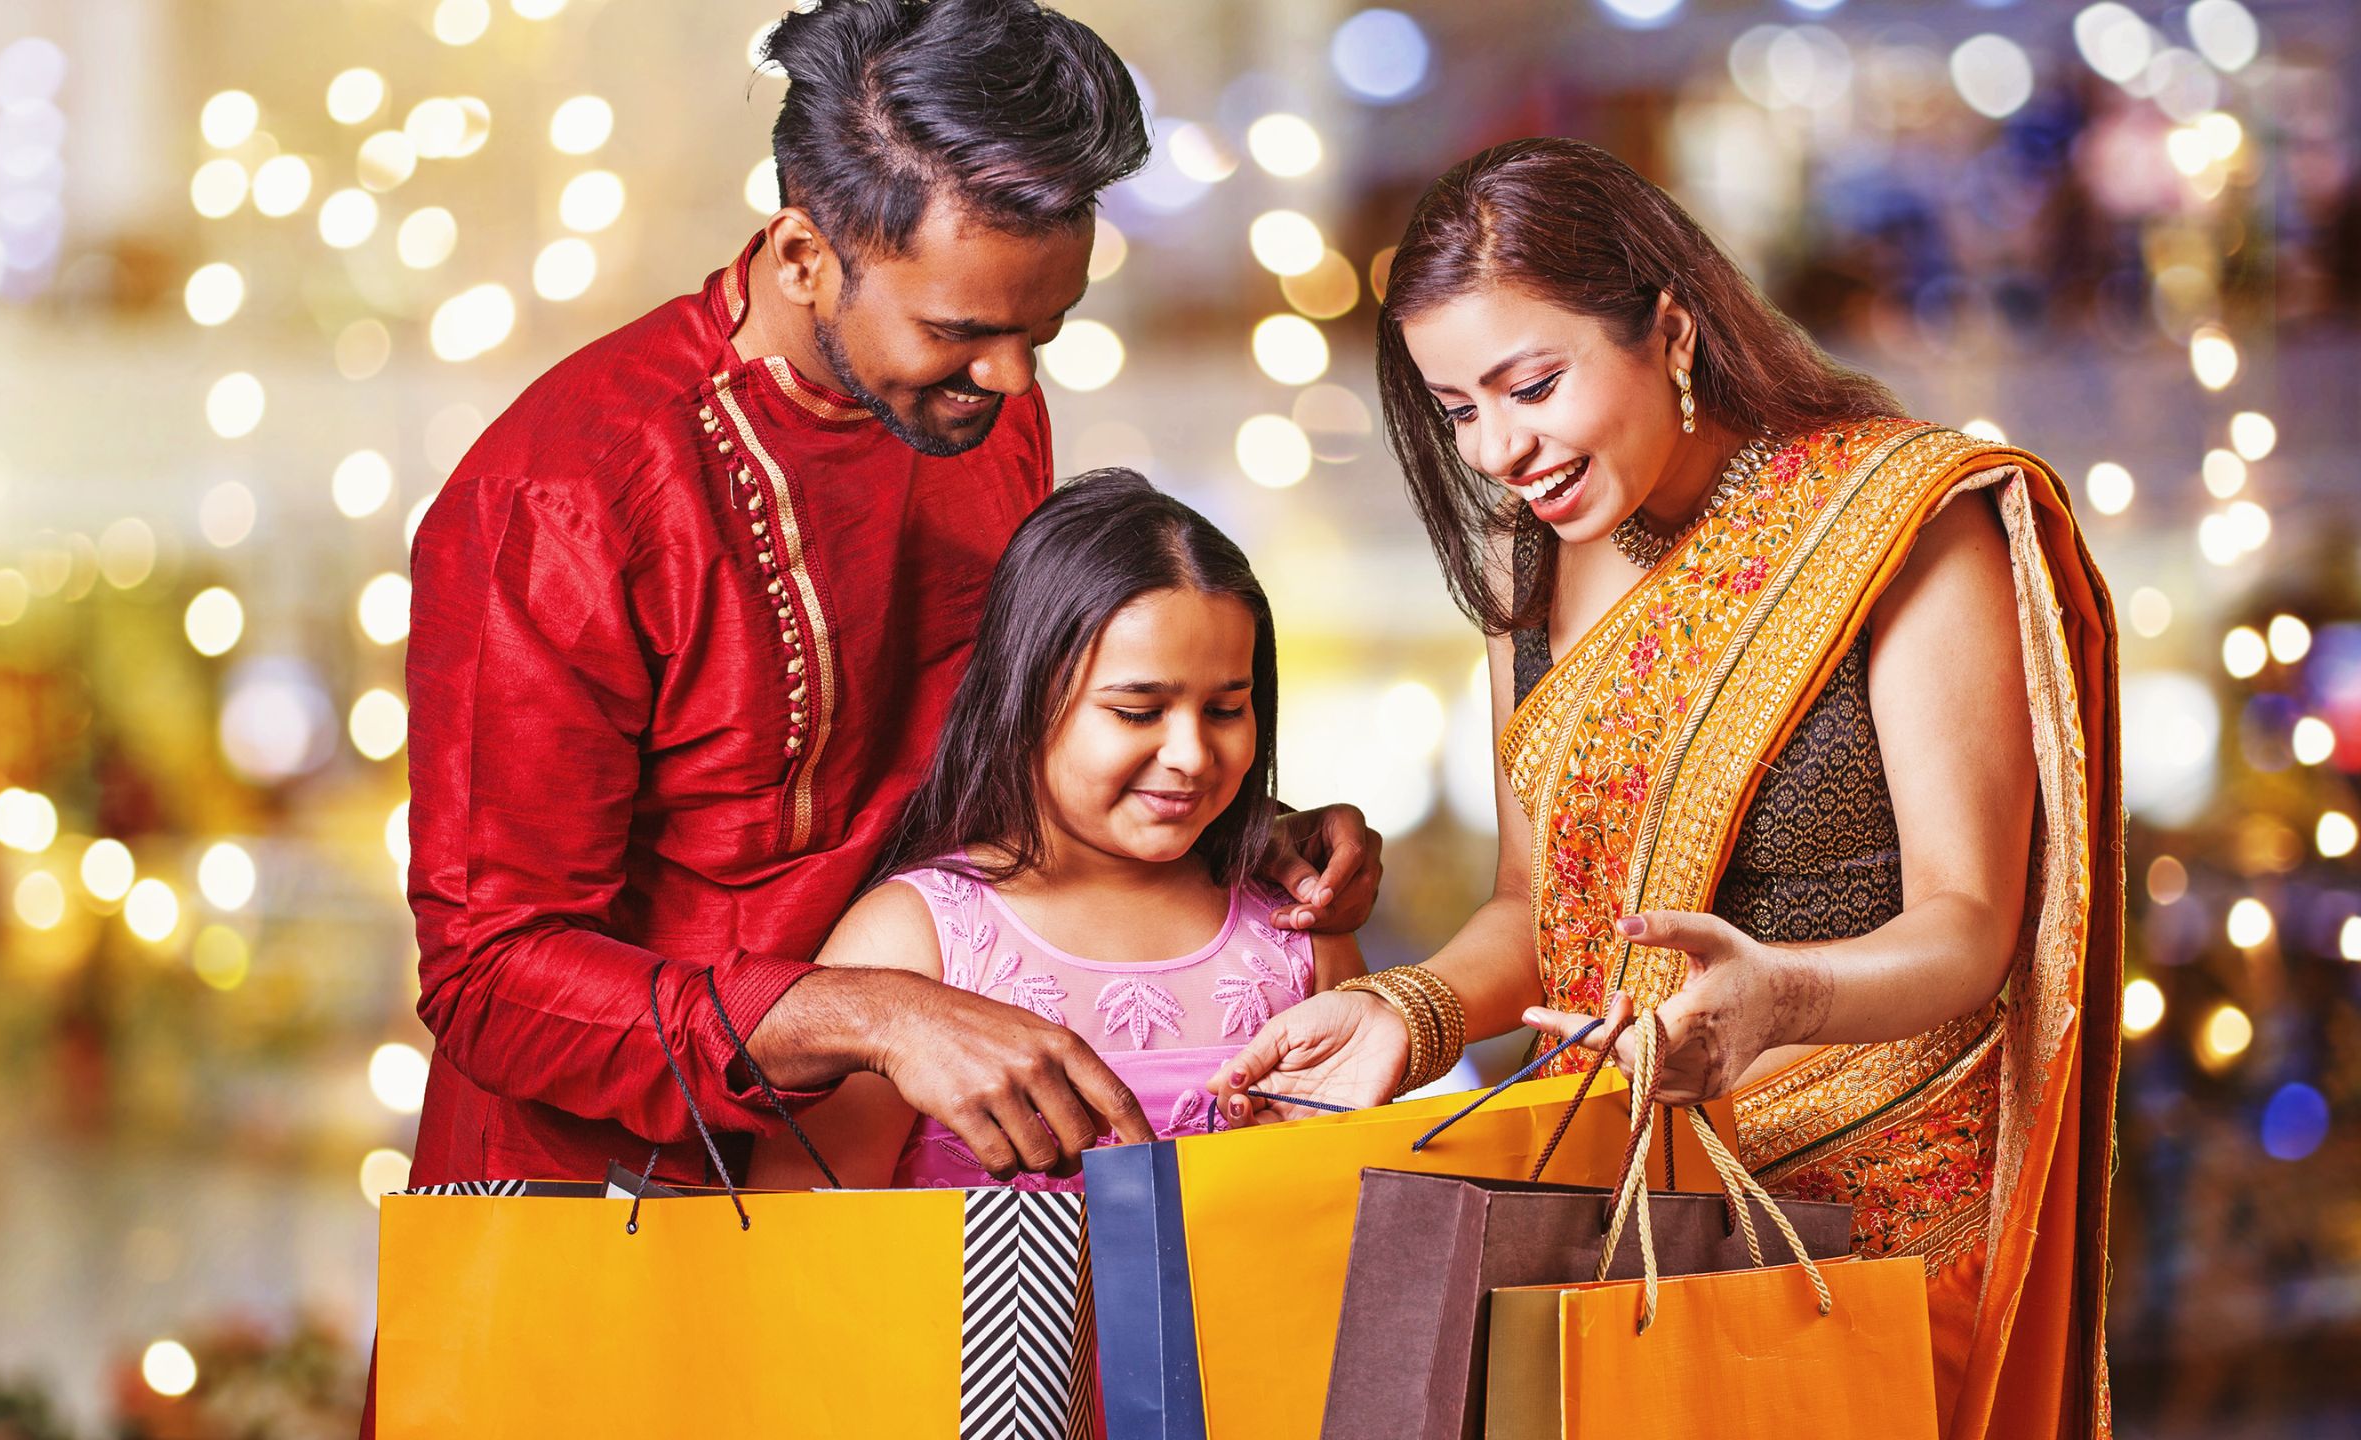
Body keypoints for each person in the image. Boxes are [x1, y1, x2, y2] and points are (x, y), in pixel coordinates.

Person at [1212, 139, 2121, 1440]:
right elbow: (1536, 911)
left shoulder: (1900, 528)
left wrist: (1780, 995)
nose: (1500, 450)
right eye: (1460, 409)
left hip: (1869, 1219)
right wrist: (1402, 1015)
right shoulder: (1534, 576)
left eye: (1532, 384)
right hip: (1615, 1212)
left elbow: (1970, 924)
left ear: (1670, 330)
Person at [400, 0, 1382, 1201]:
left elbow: (988, 746)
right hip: (604, 1208)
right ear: (805, 255)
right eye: (963, 331)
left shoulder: (977, 404)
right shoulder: (560, 498)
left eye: (1044, 331)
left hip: (902, 1179)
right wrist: (873, 1013)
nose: (1015, 379)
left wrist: (1211, 830)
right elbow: (489, 978)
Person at [749, 472, 1363, 1191]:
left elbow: (1362, 1204)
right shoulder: (915, 938)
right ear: (1026, 696)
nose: (1193, 755)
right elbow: (803, 1236)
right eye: (1138, 712)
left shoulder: (1296, 931)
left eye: (1226, 710)